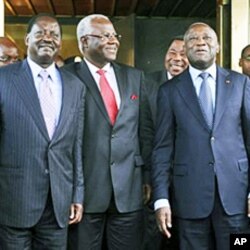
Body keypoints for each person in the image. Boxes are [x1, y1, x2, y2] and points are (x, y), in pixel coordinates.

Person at [152, 22, 250, 250]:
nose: (200, 42)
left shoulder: (240, 83)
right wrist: (161, 199)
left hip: (235, 200)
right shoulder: (169, 90)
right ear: (185, 49)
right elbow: (162, 148)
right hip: (189, 201)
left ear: (217, 47)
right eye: (193, 39)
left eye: (206, 38)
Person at [66, 14, 152, 250]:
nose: (113, 41)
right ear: (84, 42)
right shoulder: (66, 77)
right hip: (84, 196)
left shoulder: (135, 77)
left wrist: (146, 177)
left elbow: (144, 132)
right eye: (105, 36)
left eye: (115, 35)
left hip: (129, 191)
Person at [0, 13, 85, 249]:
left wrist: (77, 193)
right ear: (27, 39)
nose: (48, 38)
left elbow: (75, 144)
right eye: (40, 32)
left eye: (54, 34)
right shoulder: (3, 79)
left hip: (58, 204)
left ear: (60, 42)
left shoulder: (75, 86)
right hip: (13, 201)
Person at [143, 36, 188, 250]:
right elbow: (141, 132)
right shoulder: (146, 83)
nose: (177, 58)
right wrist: (145, 176)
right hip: (153, 179)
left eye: (183, 53)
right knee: (151, 239)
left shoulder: (200, 86)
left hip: (189, 181)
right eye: (172, 52)